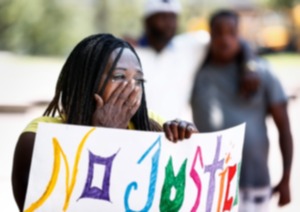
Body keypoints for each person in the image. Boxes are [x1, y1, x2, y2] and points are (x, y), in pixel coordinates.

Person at [11, 34, 198, 211]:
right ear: (87, 81)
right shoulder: (38, 137)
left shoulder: (151, 125)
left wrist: (191, 141)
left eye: (139, 80)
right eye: (119, 77)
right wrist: (103, 137)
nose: (132, 88)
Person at [191, 10, 293, 212]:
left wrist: (286, 178)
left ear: (240, 35)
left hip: (254, 183)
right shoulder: (196, 71)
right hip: (208, 184)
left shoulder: (262, 72)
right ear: (210, 35)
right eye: (218, 33)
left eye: (231, 32)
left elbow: (285, 129)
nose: (225, 39)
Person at [132, 0, 209, 121]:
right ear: (147, 21)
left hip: (178, 134)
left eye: (173, 17)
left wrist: (249, 65)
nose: (169, 23)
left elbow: (228, 39)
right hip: (140, 135)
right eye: (162, 17)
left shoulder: (188, 47)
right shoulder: (130, 54)